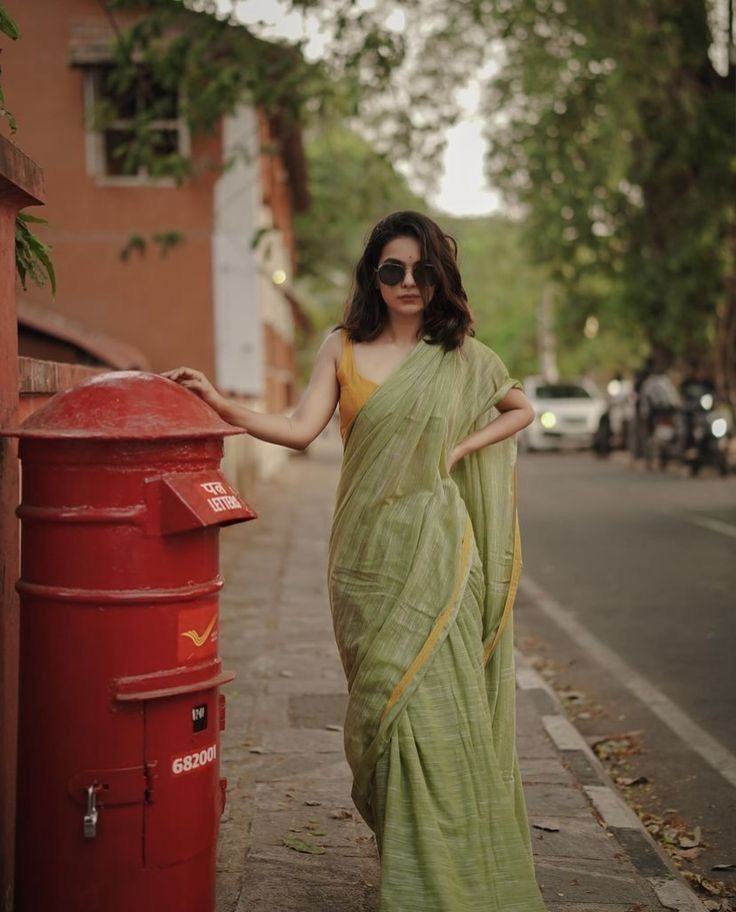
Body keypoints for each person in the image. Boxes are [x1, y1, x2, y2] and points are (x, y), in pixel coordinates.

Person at [162, 210, 546, 912]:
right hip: (365, 561)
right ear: (374, 275)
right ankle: (409, 863)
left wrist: (459, 450)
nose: (407, 282)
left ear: (440, 276)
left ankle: (441, 877)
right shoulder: (341, 346)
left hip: (440, 553)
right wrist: (220, 402)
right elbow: (302, 428)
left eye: (421, 270)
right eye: (392, 270)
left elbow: (519, 410)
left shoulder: (462, 356)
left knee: (437, 715)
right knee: (386, 715)